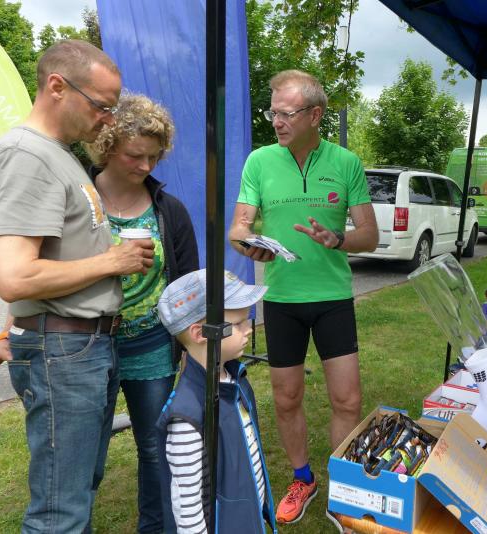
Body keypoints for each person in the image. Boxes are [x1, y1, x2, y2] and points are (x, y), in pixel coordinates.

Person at [0, 40, 155, 532]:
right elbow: (14, 276)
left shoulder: (57, 155)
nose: (108, 118)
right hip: (63, 352)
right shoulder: (25, 157)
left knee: (76, 491)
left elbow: (46, 260)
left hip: (80, 348)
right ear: (57, 86)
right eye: (101, 105)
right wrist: (111, 261)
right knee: (60, 510)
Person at [228, 69, 378, 523]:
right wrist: (248, 244)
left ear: (315, 115)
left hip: (332, 298)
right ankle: (302, 478)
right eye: (272, 112)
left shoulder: (346, 162)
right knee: (287, 397)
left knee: (347, 400)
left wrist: (338, 239)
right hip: (282, 300)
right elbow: (238, 227)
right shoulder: (259, 162)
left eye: (286, 113)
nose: (276, 121)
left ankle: (343, 487)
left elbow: (370, 236)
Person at [84, 93, 199, 533]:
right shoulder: (78, 198)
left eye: (154, 156)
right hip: (87, 344)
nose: (146, 165)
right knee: (86, 454)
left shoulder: (169, 210)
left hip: (151, 346)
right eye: (135, 155)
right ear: (107, 145)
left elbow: (188, 284)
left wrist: (189, 345)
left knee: (155, 449)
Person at [155, 269, 277, 533]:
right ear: (201, 333)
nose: (249, 329)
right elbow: (187, 506)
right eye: (238, 324)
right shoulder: (187, 416)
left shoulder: (234, 379)